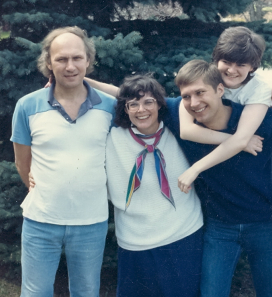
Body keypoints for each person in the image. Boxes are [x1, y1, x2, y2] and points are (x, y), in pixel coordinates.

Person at [162, 59, 272, 297]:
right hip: (219, 228)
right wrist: (83, 82)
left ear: (220, 90)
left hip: (264, 226)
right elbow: (134, 98)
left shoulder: (259, 121)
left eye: (200, 93)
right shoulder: (180, 115)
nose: (193, 103)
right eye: (186, 96)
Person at [176, 26, 272, 257]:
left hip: (269, 153)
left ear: (253, 66)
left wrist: (240, 142)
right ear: (217, 59)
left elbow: (243, 138)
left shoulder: (258, 90)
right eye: (227, 61)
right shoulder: (205, 81)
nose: (232, 70)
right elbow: (187, 130)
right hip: (235, 151)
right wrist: (238, 141)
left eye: (241, 65)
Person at [11, 26, 116, 296]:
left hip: (91, 222)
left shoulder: (109, 106)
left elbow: (140, 97)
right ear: (48, 62)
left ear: (88, 60)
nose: (70, 66)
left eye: (77, 58)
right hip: (40, 221)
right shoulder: (27, 106)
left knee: (86, 291)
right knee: (35, 292)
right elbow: (23, 163)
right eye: (61, 59)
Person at [106, 75, 203, 296]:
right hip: (134, 241)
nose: (142, 110)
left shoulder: (178, 128)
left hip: (183, 234)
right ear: (125, 109)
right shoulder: (112, 135)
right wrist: (82, 80)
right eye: (133, 104)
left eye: (148, 102)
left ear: (160, 103)